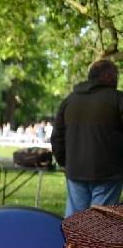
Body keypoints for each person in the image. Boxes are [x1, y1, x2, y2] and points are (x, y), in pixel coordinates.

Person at [51, 59, 123, 217]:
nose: (118, 79)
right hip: (109, 172)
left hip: (76, 169)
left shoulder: (69, 101)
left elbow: (57, 137)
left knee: (74, 219)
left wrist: (66, 162)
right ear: (107, 77)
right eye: (116, 75)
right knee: (102, 222)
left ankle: (72, 242)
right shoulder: (118, 99)